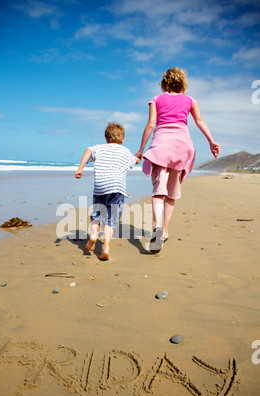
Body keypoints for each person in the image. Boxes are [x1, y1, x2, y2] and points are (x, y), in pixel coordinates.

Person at [135, 67, 220, 252]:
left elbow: (150, 125)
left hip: (161, 145)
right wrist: (211, 141)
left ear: (164, 82)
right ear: (183, 83)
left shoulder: (156, 99)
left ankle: (157, 227)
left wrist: (141, 150)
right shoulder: (191, 100)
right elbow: (199, 121)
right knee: (172, 194)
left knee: (158, 192)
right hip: (183, 146)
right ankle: (164, 232)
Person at [75, 122, 140, 260]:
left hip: (100, 187)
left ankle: (93, 235)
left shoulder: (99, 148)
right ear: (123, 140)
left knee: (97, 215)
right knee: (111, 219)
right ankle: (105, 247)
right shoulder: (126, 151)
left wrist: (80, 168)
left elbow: (88, 151)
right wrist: (137, 156)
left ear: (106, 138)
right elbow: (136, 161)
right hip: (117, 189)